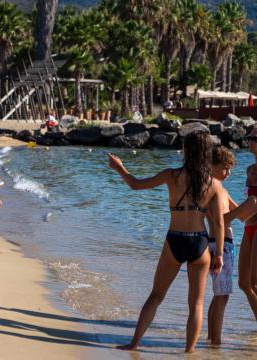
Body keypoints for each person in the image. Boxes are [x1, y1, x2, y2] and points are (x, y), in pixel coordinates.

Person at [108, 131, 225, 353]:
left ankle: (134, 344)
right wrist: (218, 254)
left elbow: (135, 184)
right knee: (196, 304)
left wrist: (119, 168)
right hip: (199, 243)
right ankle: (189, 352)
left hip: (175, 240)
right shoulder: (214, 184)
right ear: (207, 153)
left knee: (156, 296)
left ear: (186, 151)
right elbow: (218, 223)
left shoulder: (171, 176)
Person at [206, 147, 257, 345]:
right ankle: (215, 343)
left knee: (220, 295)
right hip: (220, 246)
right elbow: (219, 221)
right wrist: (243, 210)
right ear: (211, 166)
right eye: (225, 169)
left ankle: (212, 338)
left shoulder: (221, 188)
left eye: (230, 170)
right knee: (223, 295)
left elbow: (243, 215)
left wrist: (247, 210)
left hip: (224, 245)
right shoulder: (212, 188)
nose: (229, 174)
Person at [238, 128, 257, 322]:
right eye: (249, 137)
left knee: (254, 282)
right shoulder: (250, 169)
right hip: (248, 226)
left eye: (254, 137)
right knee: (244, 283)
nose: (250, 140)